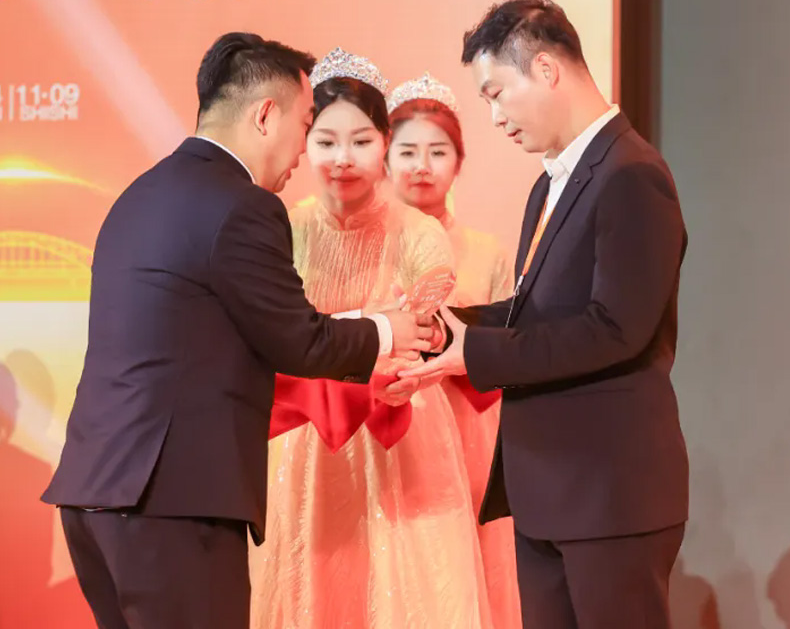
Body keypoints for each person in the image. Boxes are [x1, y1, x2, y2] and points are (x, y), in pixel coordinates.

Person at [41, 33, 433, 629]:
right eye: (307, 126)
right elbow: (298, 340)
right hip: (170, 501)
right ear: (265, 115)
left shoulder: (139, 194)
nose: (304, 151)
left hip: (93, 495)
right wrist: (389, 330)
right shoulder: (243, 205)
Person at [401, 0, 689, 629]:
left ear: (546, 69)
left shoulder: (631, 174)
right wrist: (448, 326)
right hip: (550, 493)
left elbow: (615, 328)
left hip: (610, 495)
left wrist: (476, 354)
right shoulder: (551, 181)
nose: (495, 117)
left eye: (497, 94)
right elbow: (537, 309)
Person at [250, 49, 495, 629]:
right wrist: (371, 325)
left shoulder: (417, 231)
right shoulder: (283, 229)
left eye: (360, 141)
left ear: (385, 141)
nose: (342, 158)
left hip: (402, 435)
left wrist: (376, 337)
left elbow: (423, 309)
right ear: (304, 142)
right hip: (309, 440)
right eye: (325, 141)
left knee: (411, 591)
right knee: (314, 586)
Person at [386, 73, 522, 627]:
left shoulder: (487, 252)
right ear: (384, 157)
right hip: (392, 426)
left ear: (459, 162)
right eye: (407, 151)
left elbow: (510, 347)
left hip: (469, 425)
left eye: (437, 152)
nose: (422, 166)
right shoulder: (370, 246)